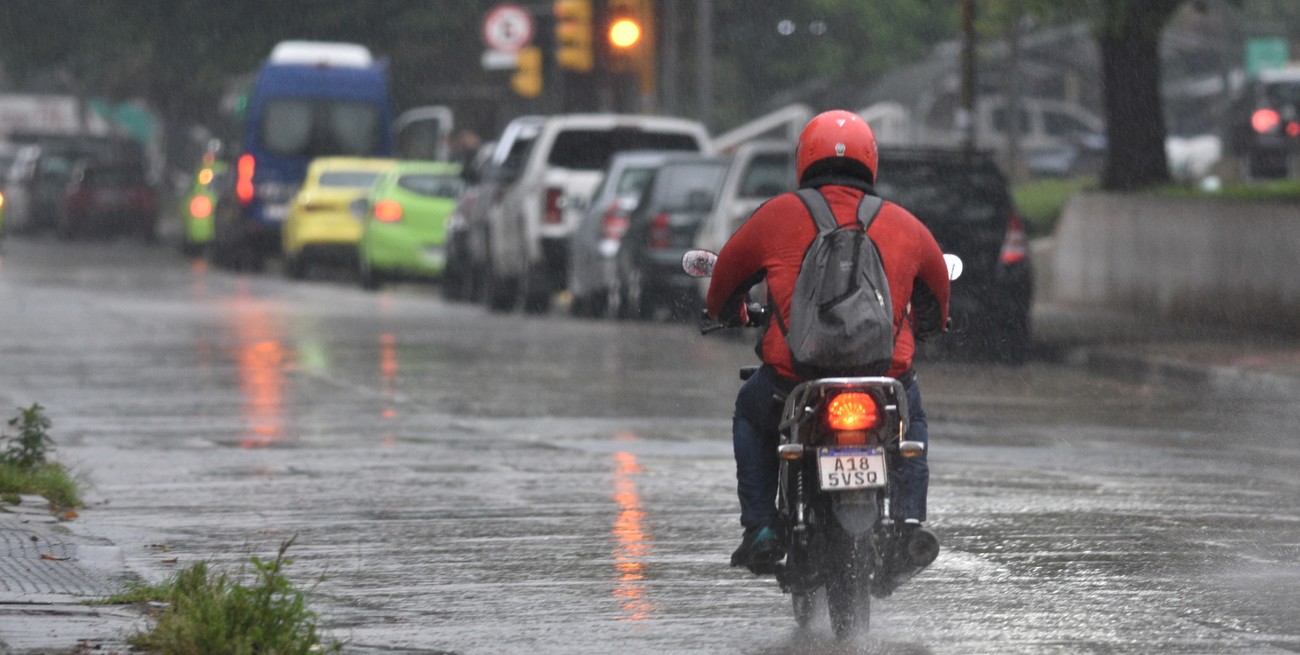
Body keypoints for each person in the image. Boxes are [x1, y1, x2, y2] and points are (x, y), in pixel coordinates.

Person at [705, 110, 951, 571]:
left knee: (749, 411)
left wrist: (728, 313)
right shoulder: (904, 224)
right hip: (884, 383)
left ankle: (760, 525)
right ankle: (910, 521)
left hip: (794, 383)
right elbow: (938, 297)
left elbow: (723, 282)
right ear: (871, 161)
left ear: (805, 159)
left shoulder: (776, 215)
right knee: (910, 420)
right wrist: (929, 325)